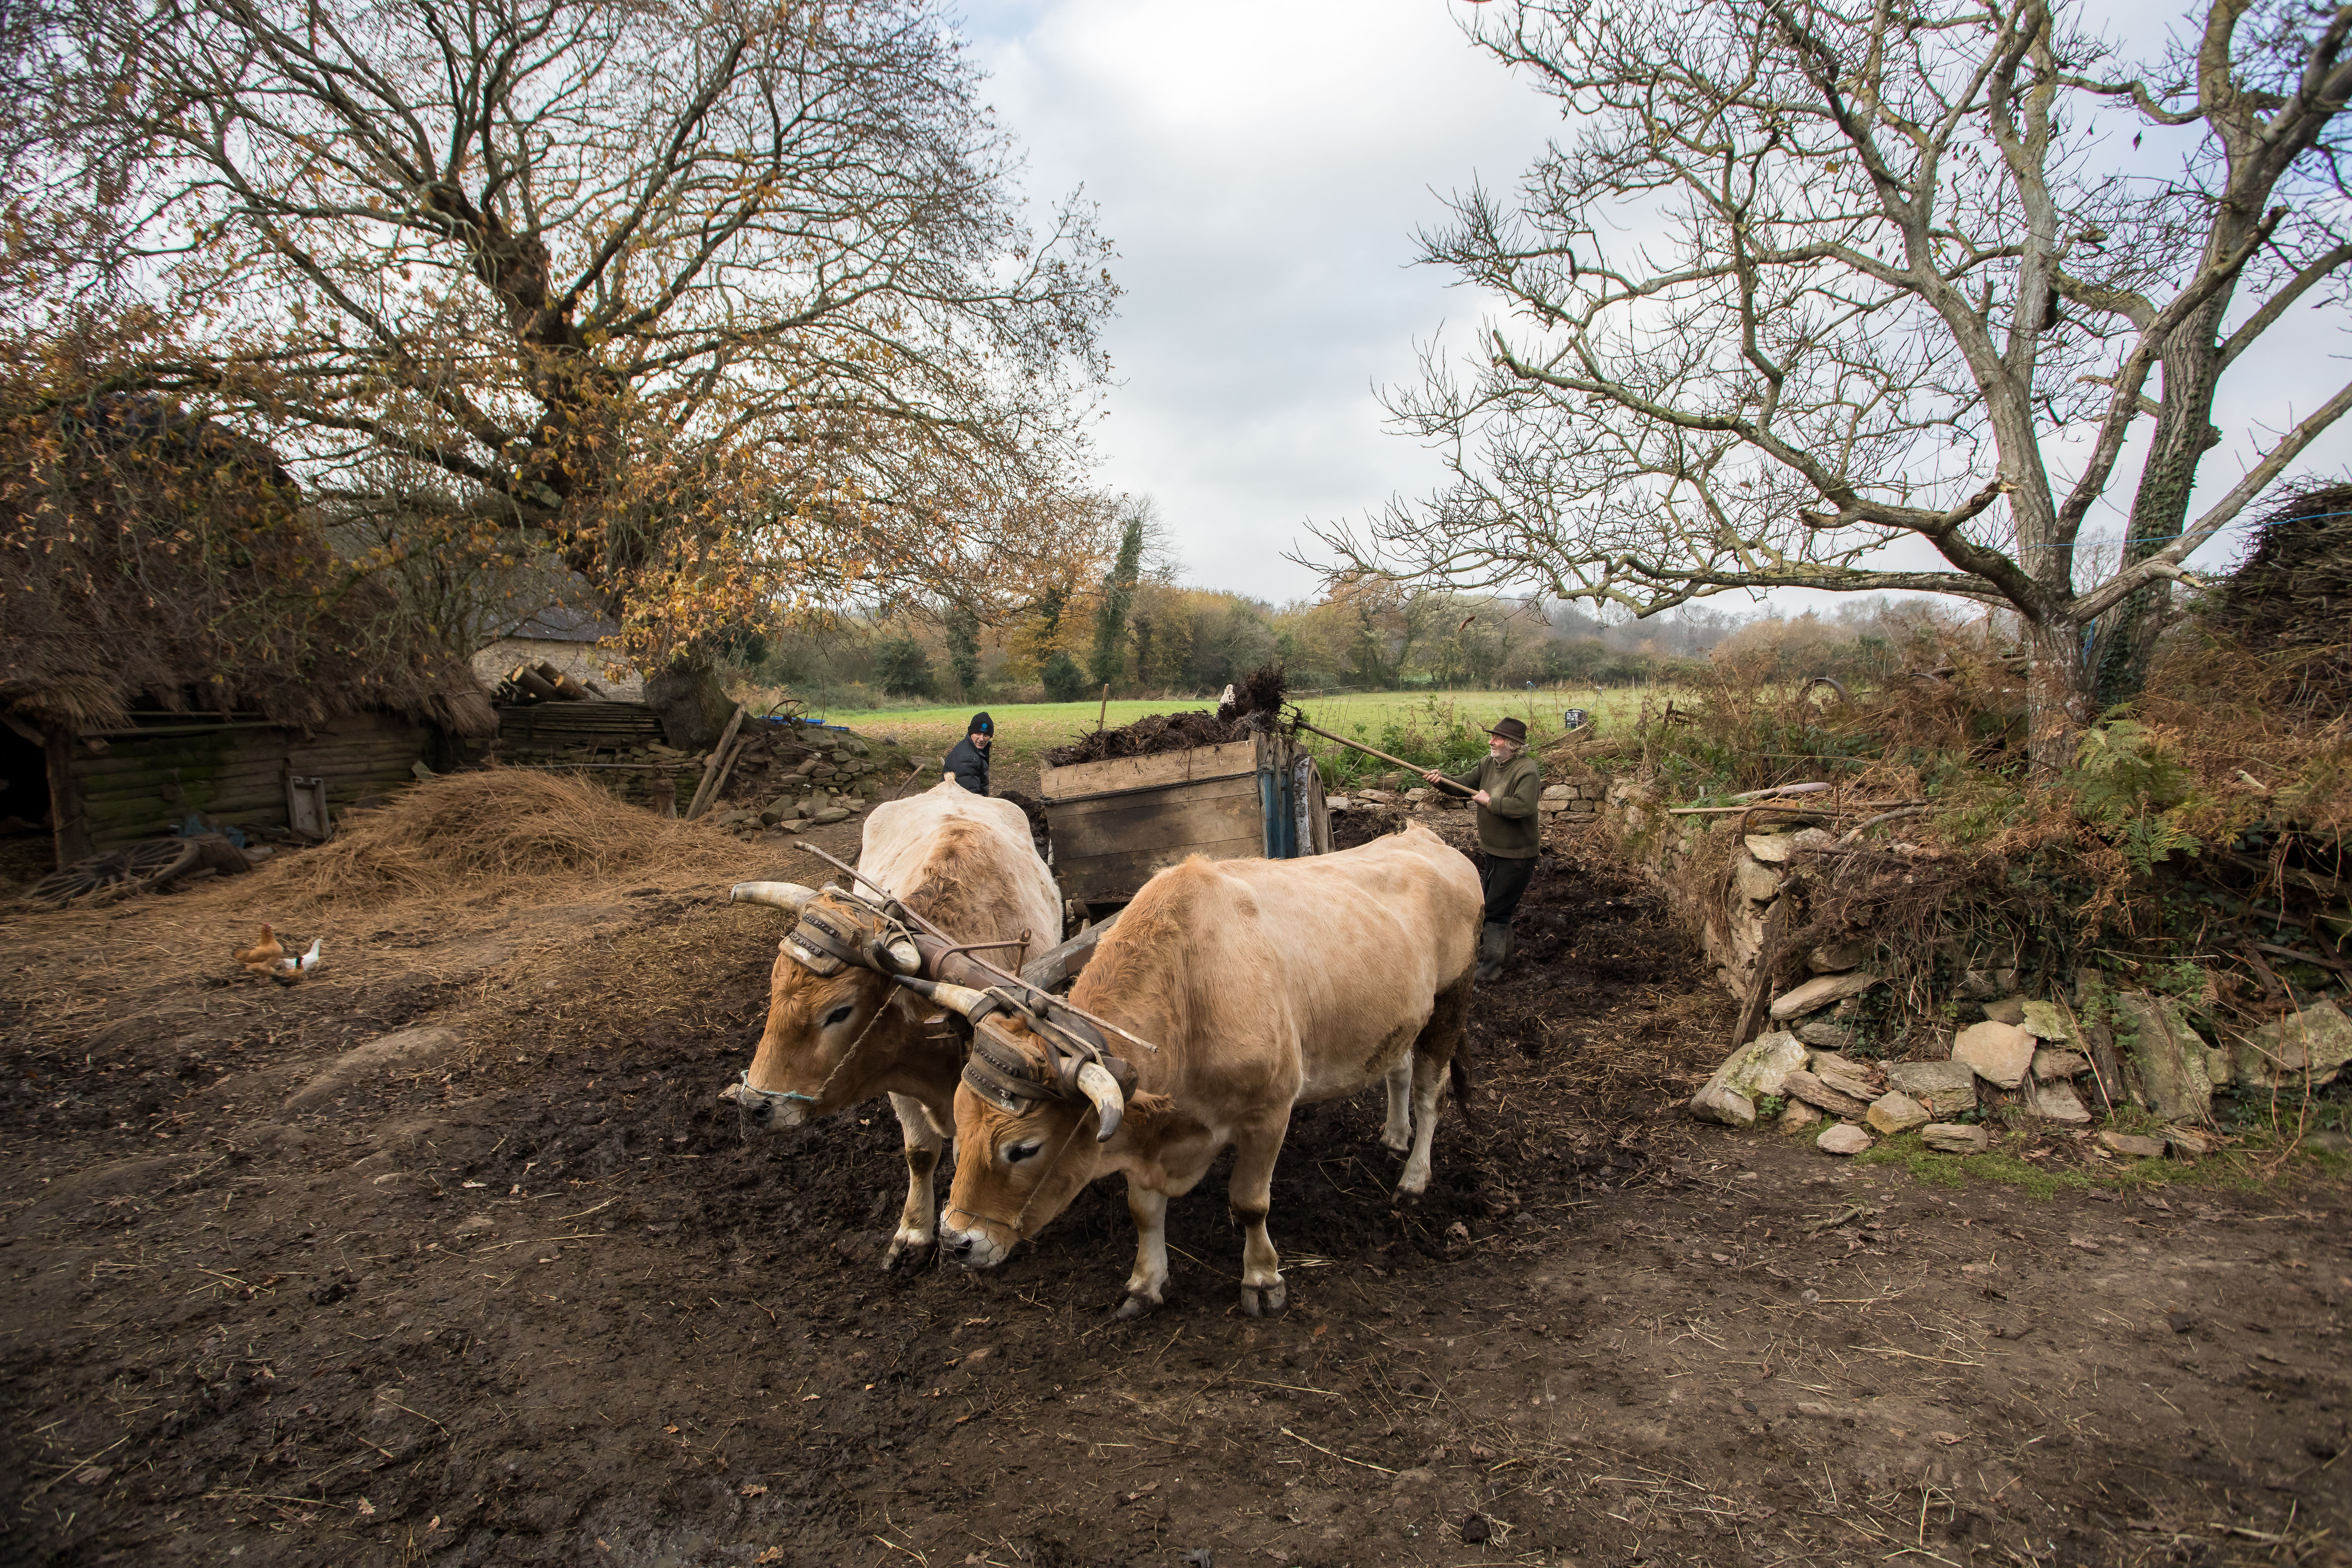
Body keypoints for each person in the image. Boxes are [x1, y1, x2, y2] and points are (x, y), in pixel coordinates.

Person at [1423, 715, 1543, 982]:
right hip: (1495, 849)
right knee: (1498, 907)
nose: (1491, 741)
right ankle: (1504, 960)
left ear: (1512, 745)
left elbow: (1525, 807)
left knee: (1494, 911)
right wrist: (1441, 781)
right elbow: (1465, 785)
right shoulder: (1489, 763)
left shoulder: (1527, 770)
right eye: (1493, 737)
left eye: (1497, 738)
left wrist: (1490, 801)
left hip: (1517, 854)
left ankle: (1491, 969)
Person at [943, 712, 993, 795]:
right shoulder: (968, 759)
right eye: (978, 734)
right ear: (971, 734)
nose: (981, 739)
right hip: (958, 805)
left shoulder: (974, 749)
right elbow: (972, 798)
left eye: (986, 735)